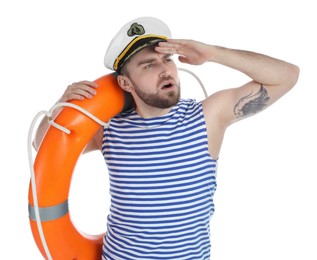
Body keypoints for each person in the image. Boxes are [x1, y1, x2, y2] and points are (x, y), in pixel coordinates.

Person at [33, 17, 299, 260]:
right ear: (126, 84)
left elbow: (287, 76)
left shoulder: (207, 117)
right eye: (149, 65)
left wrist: (215, 53)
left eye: (167, 60)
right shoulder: (110, 128)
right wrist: (63, 105)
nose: (165, 71)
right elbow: (42, 146)